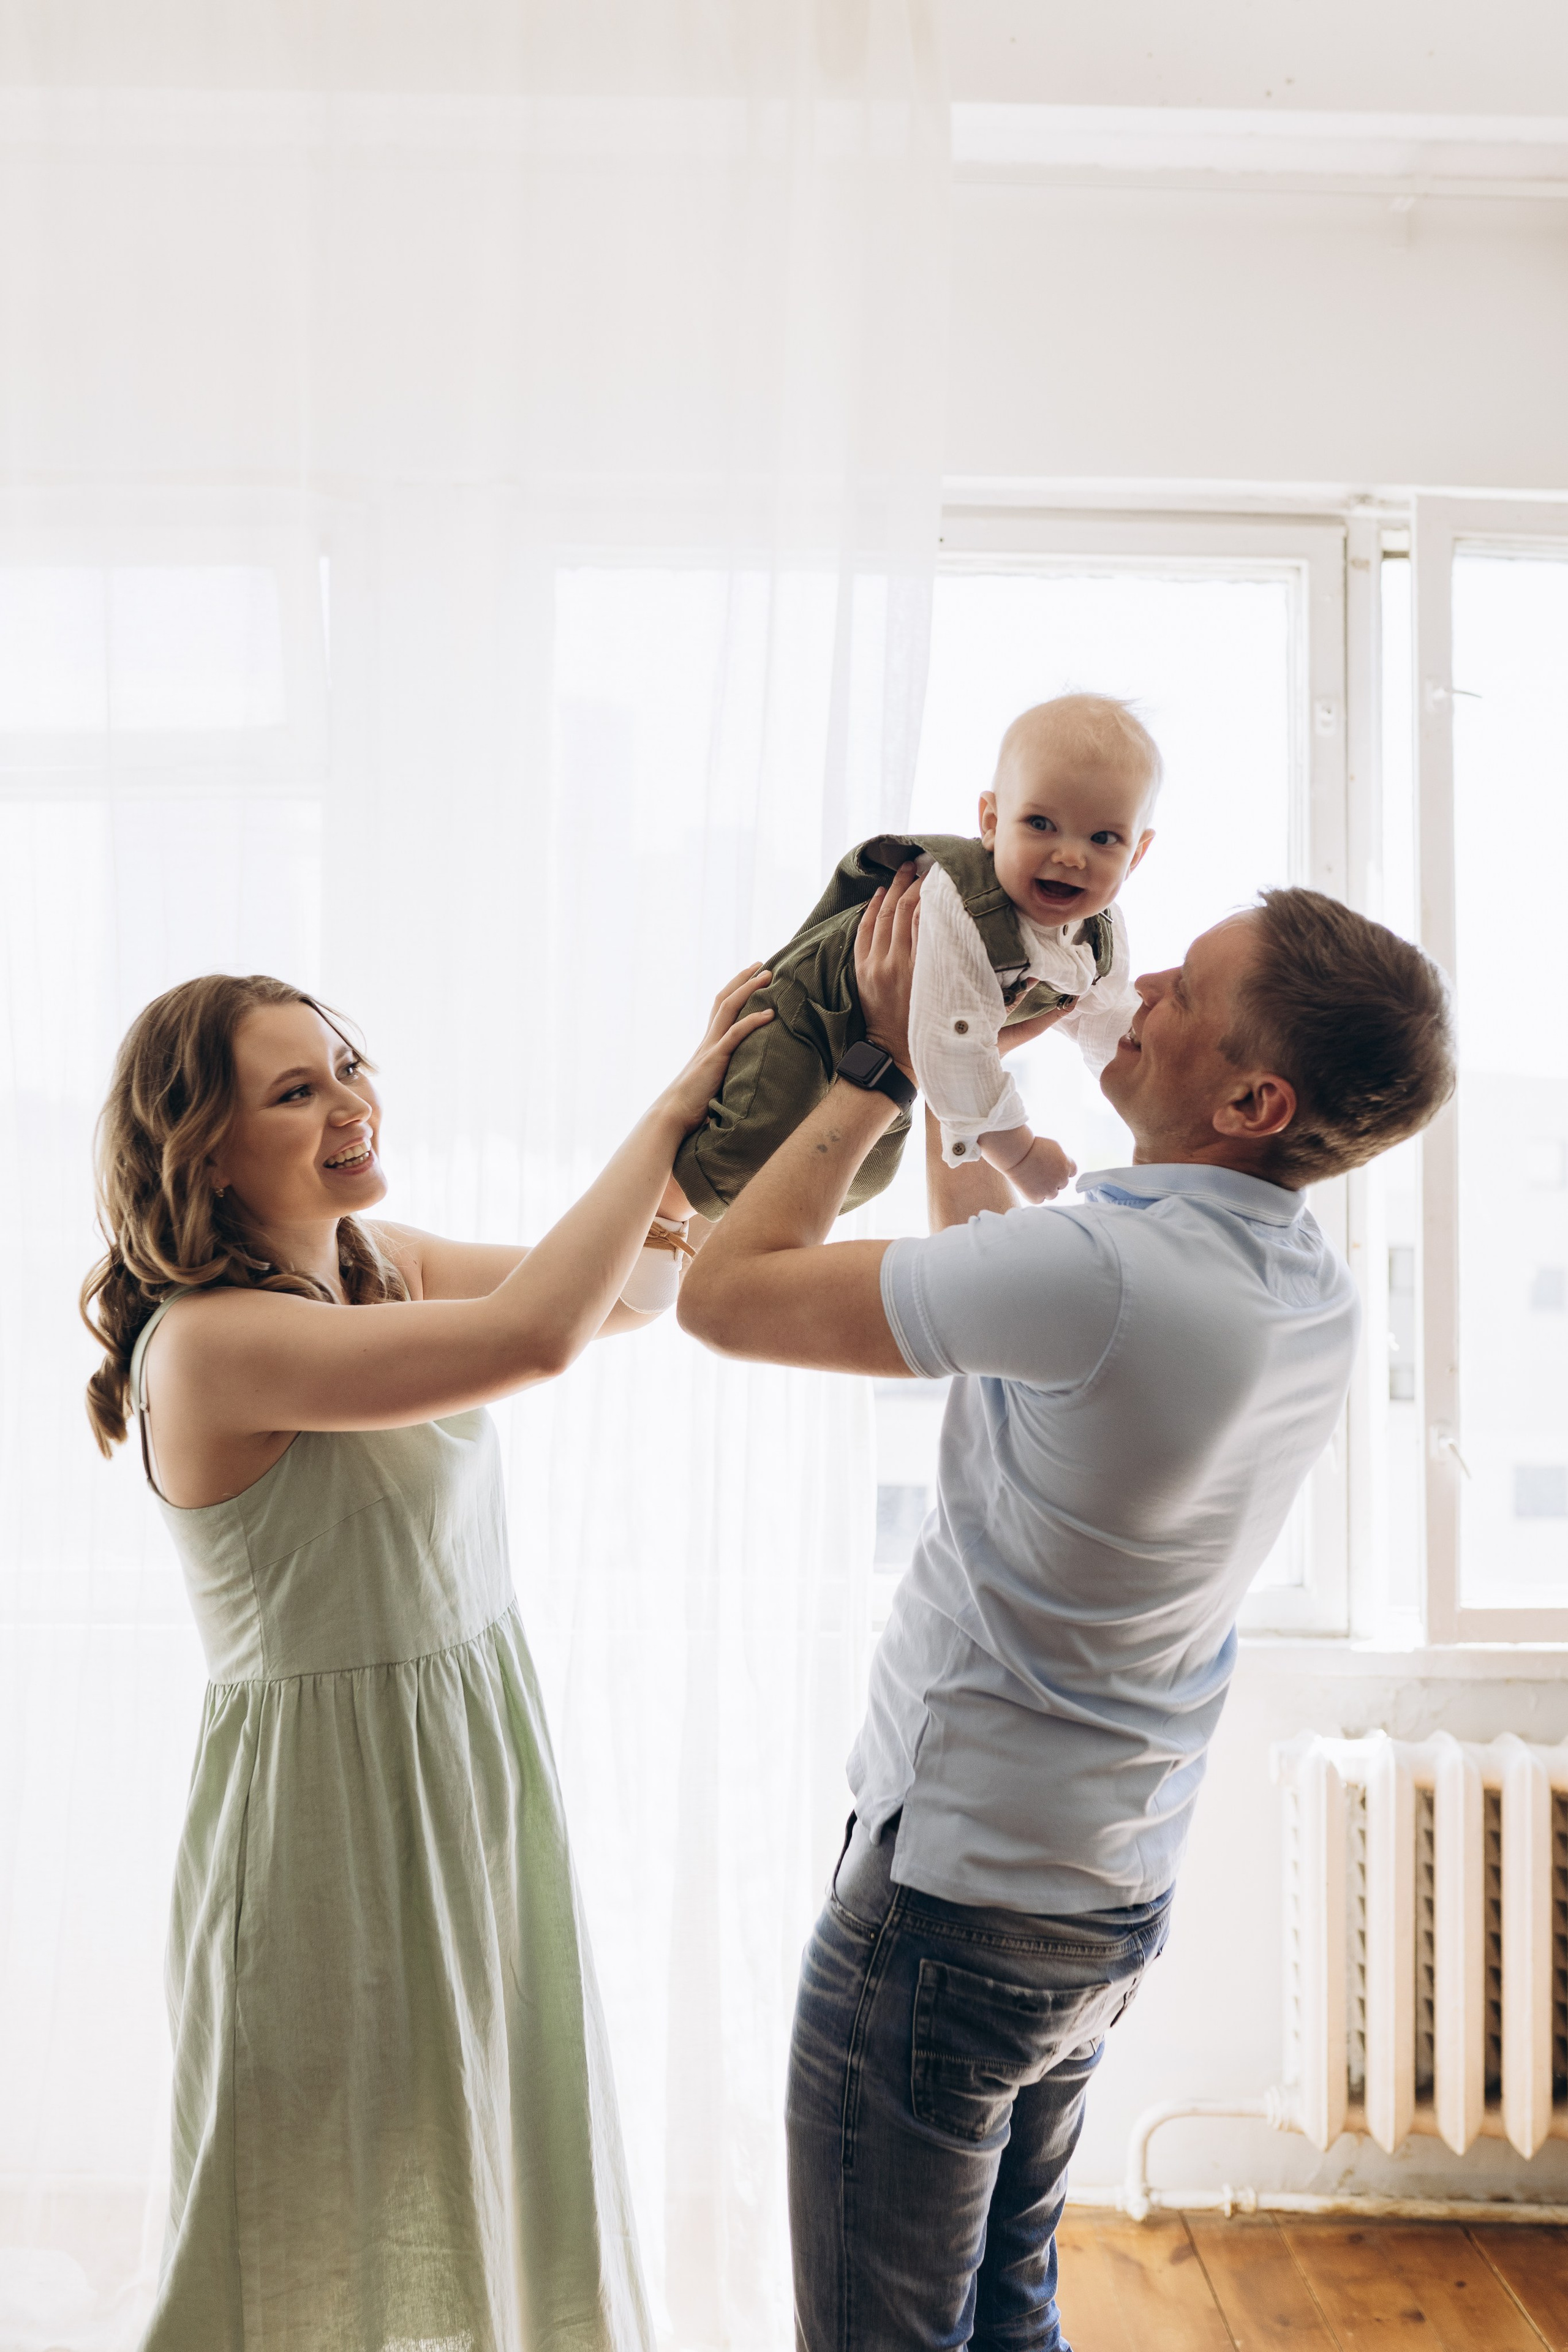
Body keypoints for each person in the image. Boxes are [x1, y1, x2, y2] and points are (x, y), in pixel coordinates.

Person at [677, 871, 1455, 2352]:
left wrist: (873, 1065)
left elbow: (726, 1297)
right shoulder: (1303, 1287)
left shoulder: (1098, 1268)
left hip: (950, 1904)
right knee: (1004, 2303)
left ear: (1251, 1097)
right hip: (1095, 1896)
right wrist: (967, 1073)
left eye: (1183, 988)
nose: (1137, 983)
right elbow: (1005, 1295)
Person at [80, 963, 770, 2352]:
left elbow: (623, 1292)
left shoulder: (375, 1264)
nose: (350, 1101)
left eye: (346, 1064)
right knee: (313, 2212)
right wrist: (664, 1111)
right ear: (204, 1151)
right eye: (296, 1089)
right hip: (324, 1820)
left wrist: (709, 1141)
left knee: (481, 2157)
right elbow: (534, 1336)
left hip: (465, 1769)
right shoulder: (213, 1346)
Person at [669, 696, 1156, 1226]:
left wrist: (1154, 1104)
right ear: (991, 823)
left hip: (896, 1050)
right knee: (734, 1165)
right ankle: (664, 1216)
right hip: (810, 1019)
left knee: (859, 1174)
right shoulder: (962, 905)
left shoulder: (1100, 933)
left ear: (1136, 855)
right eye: (1040, 823)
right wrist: (1020, 1154)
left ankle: (687, 1241)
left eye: (1103, 838)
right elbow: (956, 1047)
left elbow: (1105, 1019)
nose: (1069, 855)